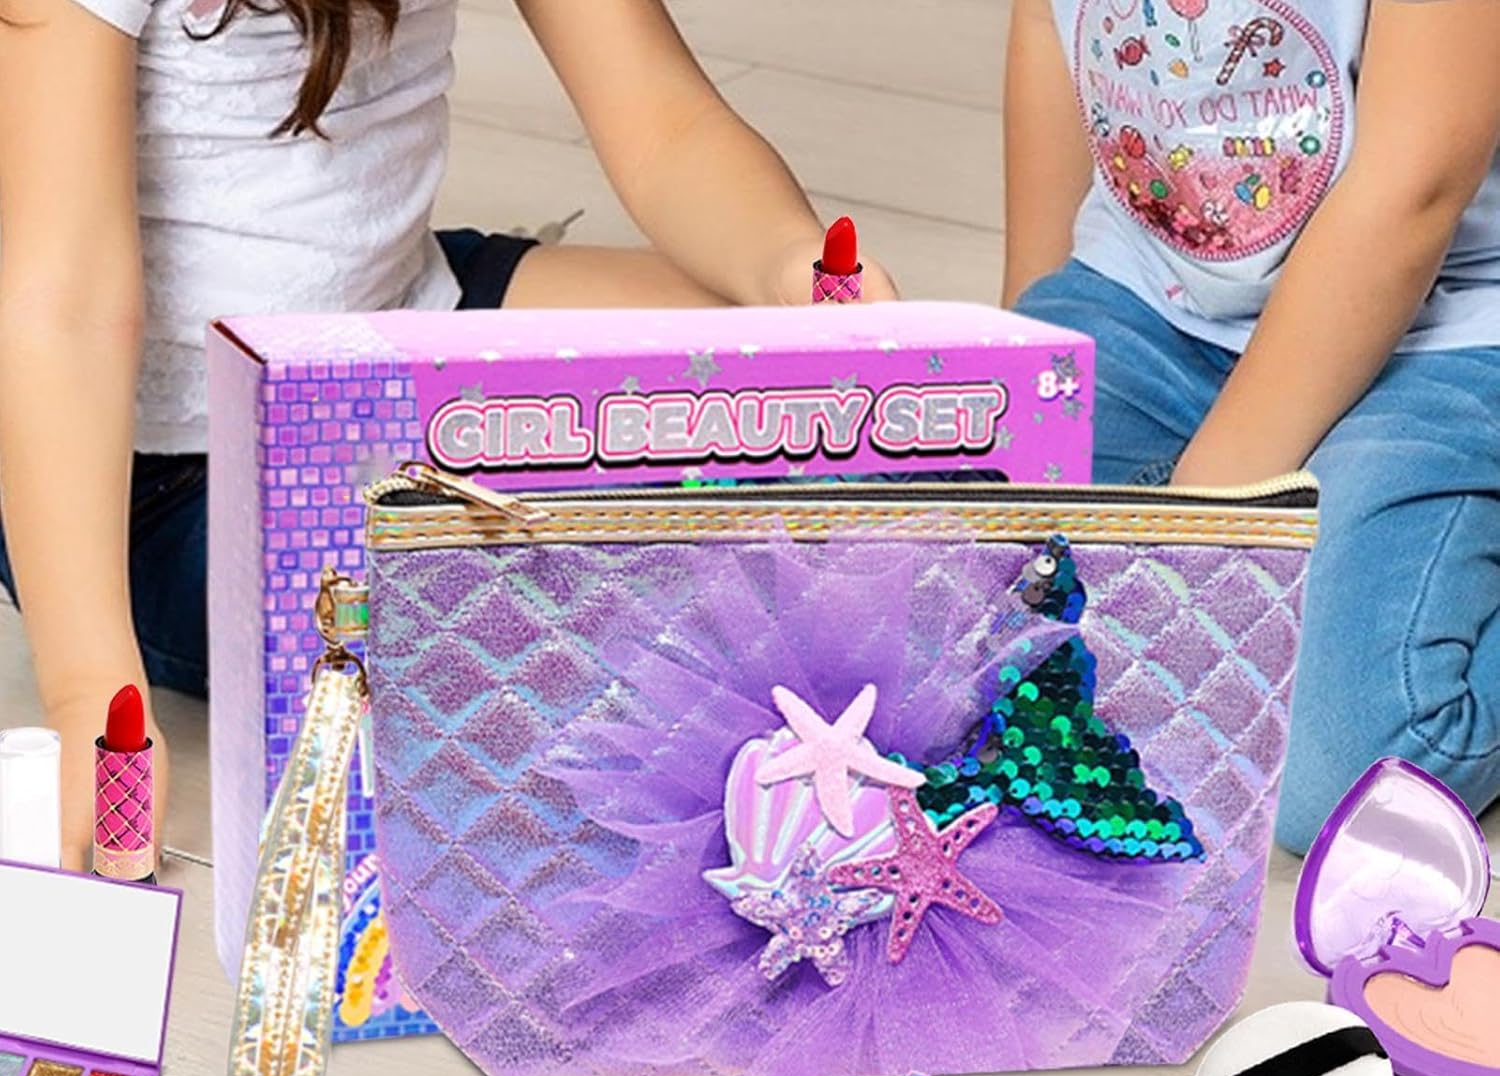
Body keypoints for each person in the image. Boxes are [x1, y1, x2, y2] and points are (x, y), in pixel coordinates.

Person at [0, 0, 896, 867]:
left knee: (780, 389)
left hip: (396, 319)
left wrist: (789, 265)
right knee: (497, 632)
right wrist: (89, 689)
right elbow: (63, 309)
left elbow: (665, 125)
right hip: (153, 466)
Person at [1002, 0, 1500, 852]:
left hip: (1444, 328)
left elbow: (1414, 188)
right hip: (1153, 300)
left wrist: (1199, 526)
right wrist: (1026, 365)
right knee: (949, 618)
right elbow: (1046, 28)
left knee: (1341, 772)